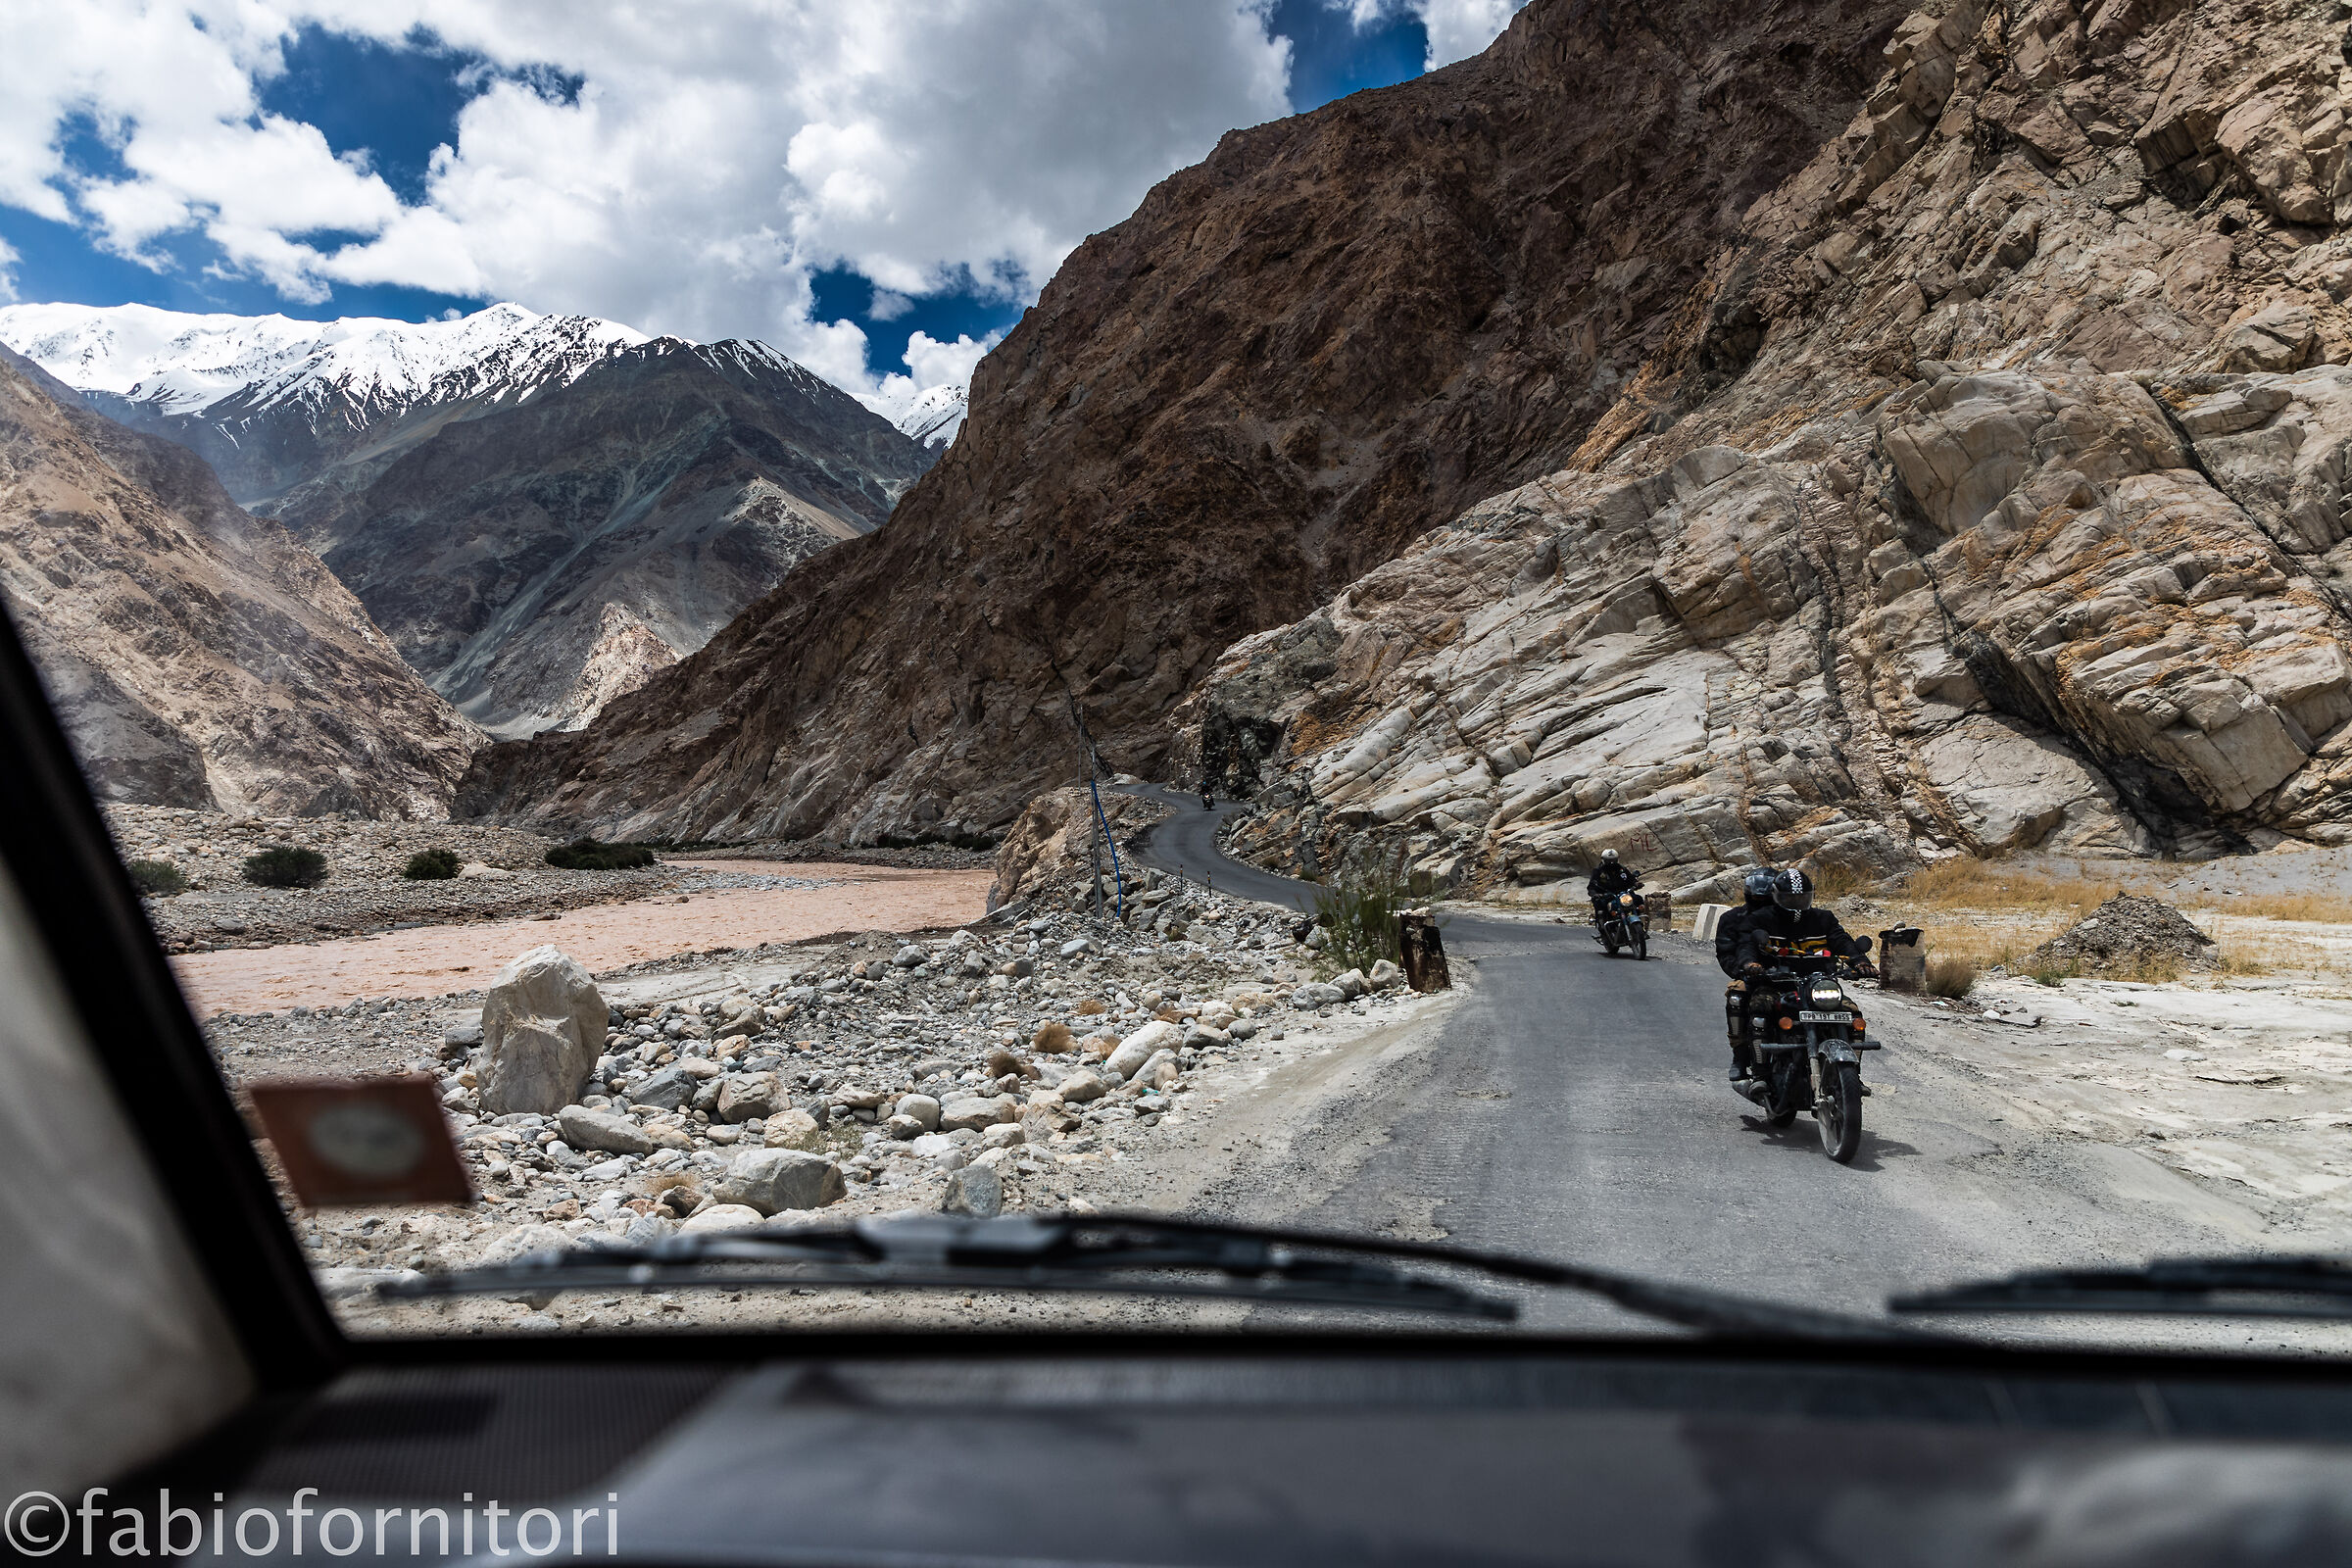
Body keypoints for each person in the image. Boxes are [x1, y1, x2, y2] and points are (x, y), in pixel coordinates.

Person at [1715, 867, 1778, 1080]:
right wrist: (1744, 971)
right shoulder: (1733, 918)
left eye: (1766, 891)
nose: (1760, 896)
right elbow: (1725, 953)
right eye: (1756, 890)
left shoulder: (1787, 917)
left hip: (1788, 973)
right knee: (1736, 995)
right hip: (1751, 975)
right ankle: (1740, 1055)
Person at [1586, 848, 1641, 927]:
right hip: (1607, 895)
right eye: (1608, 861)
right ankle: (1602, 926)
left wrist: (1636, 884)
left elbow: (1630, 879)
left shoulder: (1621, 869)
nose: (1612, 863)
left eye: (1614, 860)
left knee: (1637, 899)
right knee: (1599, 904)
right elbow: (1592, 886)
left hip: (1622, 894)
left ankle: (1640, 919)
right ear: (1603, 860)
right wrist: (1595, 894)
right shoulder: (1598, 871)